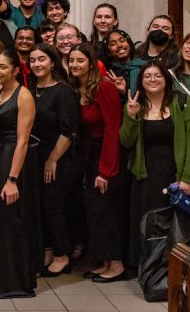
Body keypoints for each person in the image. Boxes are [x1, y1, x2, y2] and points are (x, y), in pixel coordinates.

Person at [120, 61, 190, 267]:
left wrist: (187, 178)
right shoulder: (135, 104)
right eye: (147, 76)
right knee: (146, 221)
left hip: (174, 175)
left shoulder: (182, 102)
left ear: (166, 79)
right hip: (144, 176)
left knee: (173, 223)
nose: (153, 80)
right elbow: (126, 141)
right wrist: (131, 116)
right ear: (141, 81)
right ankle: (148, 268)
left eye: (157, 75)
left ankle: (172, 267)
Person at [0, 49, 39, 298]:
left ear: (15, 70)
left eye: (2, 66)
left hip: (12, 158)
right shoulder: (0, 91)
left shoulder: (23, 96)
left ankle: (13, 283)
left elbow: (23, 141)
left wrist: (12, 179)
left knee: (9, 219)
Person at [68, 43, 126, 282]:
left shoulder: (104, 87)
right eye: (71, 60)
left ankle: (117, 265)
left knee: (106, 211)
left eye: (80, 60)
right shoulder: (77, 88)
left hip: (107, 154)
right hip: (92, 152)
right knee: (95, 211)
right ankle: (105, 261)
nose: (74, 65)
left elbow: (113, 129)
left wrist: (106, 171)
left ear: (91, 63)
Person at [28, 44, 81, 277]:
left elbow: (69, 131)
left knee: (53, 205)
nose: (37, 64)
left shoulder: (63, 91)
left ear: (52, 62)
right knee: (41, 206)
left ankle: (62, 255)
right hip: (37, 157)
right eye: (32, 60)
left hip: (61, 158)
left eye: (41, 59)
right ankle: (48, 252)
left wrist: (52, 159)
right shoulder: (31, 89)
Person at [103, 30, 148, 104]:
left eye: (122, 41)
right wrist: (122, 93)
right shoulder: (109, 75)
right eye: (113, 44)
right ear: (108, 49)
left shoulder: (145, 68)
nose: (119, 45)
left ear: (129, 43)